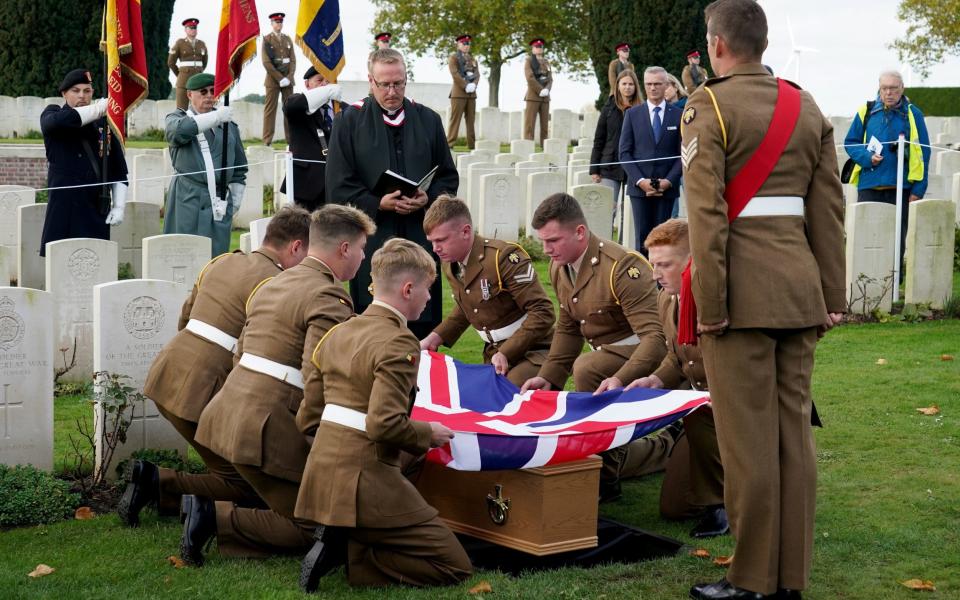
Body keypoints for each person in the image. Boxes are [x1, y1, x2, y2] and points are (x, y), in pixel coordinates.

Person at [682, 1, 845, 598]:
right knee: (792, 440)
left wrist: (712, 302)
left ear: (718, 44)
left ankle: (752, 579)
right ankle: (790, 579)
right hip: (798, 292)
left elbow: (706, 215)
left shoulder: (709, 104)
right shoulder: (806, 106)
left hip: (740, 300)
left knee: (747, 446)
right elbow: (828, 210)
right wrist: (831, 294)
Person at [184, 205, 376, 567]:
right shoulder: (328, 296)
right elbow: (320, 376)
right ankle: (213, 519)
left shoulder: (273, 282)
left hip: (227, 411)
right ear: (345, 249)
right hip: (264, 426)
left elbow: (242, 348)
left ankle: (204, 508)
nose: (364, 257)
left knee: (289, 501)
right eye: (363, 248)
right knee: (316, 525)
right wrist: (317, 439)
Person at [296, 238, 472, 590]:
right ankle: (351, 554)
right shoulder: (399, 341)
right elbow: (383, 423)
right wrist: (428, 434)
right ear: (408, 289)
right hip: (367, 476)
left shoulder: (337, 332)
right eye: (427, 289)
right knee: (454, 565)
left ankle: (352, 542)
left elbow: (308, 417)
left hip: (322, 471)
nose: (428, 298)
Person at [119, 207, 311, 527]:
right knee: (247, 484)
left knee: (232, 472)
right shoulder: (277, 284)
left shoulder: (222, 261)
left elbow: (186, 316)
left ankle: (154, 484)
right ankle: (155, 483)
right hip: (204, 387)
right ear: (296, 247)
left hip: (169, 370)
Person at [519, 193, 670, 502]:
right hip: (608, 352)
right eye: (543, 241)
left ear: (580, 233)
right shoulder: (560, 267)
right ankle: (649, 451)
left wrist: (620, 377)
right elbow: (568, 326)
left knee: (588, 368)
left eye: (553, 241)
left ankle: (606, 479)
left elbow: (654, 337)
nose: (546, 250)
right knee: (578, 374)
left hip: (649, 354)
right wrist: (548, 376)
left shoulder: (622, 266)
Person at [325, 48, 459, 339]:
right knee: (374, 326)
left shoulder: (428, 120)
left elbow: (448, 177)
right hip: (373, 236)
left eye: (398, 83)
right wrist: (377, 203)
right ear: (370, 82)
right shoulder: (349, 122)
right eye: (384, 84)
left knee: (421, 322)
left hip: (420, 233)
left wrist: (430, 197)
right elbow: (338, 186)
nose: (392, 91)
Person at [624, 219, 726, 538]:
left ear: (693, 261)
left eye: (665, 265)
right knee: (676, 507)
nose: (655, 274)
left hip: (739, 411)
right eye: (653, 264)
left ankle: (737, 495)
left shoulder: (719, 301)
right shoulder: (667, 298)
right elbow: (677, 355)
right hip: (701, 411)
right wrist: (654, 380)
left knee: (700, 420)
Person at [420, 196, 555, 387]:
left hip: (535, 349)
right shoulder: (451, 264)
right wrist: (434, 338)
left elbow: (543, 312)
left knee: (509, 393)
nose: (436, 249)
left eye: (441, 240)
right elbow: (468, 306)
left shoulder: (502, 257)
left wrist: (506, 352)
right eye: (432, 242)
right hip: (495, 352)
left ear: (466, 231)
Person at [844, 70, 930, 269]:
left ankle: (893, 282)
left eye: (893, 88)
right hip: (869, 185)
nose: (889, 92)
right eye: (885, 88)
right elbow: (850, 142)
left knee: (897, 238)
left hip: (901, 187)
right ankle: (865, 281)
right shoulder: (866, 111)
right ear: (879, 88)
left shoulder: (913, 114)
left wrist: (919, 189)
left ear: (902, 88)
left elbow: (924, 152)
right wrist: (867, 157)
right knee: (867, 237)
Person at [39, 69, 128, 257]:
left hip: (95, 208)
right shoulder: (53, 114)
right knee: (62, 266)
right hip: (65, 209)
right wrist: (100, 108)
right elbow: (60, 122)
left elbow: (118, 170)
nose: (82, 96)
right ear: (64, 93)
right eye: (76, 91)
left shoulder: (104, 125)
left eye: (87, 91)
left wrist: (119, 206)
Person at [163, 72, 246, 257]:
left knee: (216, 255)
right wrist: (216, 118)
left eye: (213, 91)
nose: (209, 96)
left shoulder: (229, 126)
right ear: (189, 95)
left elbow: (239, 165)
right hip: (188, 196)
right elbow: (179, 132)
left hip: (218, 198)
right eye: (203, 92)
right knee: (183, 253)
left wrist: (236, 198)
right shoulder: (176, 118)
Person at [619, 66, 683, 253]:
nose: (652, 88)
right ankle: (645, 280)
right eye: (648, 84)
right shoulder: (632, 114)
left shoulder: (678, 115)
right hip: (640, 188)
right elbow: (624, 153)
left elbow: (682, 153)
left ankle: (662, 282)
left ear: (666, 85)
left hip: (667, 188)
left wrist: (669, 181)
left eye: (657, 84)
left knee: (663, 239)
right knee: (643, 238)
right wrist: (641, 181)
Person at [281, 67, 344, 211]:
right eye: (319, 80)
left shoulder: (342, 109)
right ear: (307, 84)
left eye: (328, 81)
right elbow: (291, 106)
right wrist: (325, 92)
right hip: (306, 187)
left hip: (336, 186)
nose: (324, 84)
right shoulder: (298, 105)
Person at [591, 69, 642, 210]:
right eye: (624, 83)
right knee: (607, 210)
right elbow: (599, 139)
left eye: (631, 84)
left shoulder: (641, 109)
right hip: (609, 165)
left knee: (629, 214)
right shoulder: (608, 108)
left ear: (635, 86)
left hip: (633, 166)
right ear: (618, 85)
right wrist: (594, 169)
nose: (627, 87)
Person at [262, 12, 296, 146]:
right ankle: (267, 141)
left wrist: (289, 77)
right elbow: (266, 62)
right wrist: (279, 78)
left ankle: (291, 141)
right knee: (270, 110)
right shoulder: (267, 40)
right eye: (276, 22)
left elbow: (293, 60)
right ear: (272, 24)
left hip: (288, 80)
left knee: (289, 109)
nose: (279, 24)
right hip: (272, 80)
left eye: (281, 22)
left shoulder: (287, 39)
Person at [446, 34, 480, 150]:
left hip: (471, 94)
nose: (466, 46)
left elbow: (477, 74)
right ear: (458, 44)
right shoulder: (454, 58)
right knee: (455, 120)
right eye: (464, 44)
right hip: (459, 93)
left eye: (468, 44)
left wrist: (474, 85)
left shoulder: (473, 59)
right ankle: (449, 144)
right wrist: (465, 86)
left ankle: (472, 145)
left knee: (471, 120)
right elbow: (455, 73)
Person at [167, 19, 209, 110]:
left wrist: (200, 72)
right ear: (185, 30)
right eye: (191, 28)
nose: (193, 30)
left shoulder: (202, 44)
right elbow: (170, 62)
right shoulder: (180, 43)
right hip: (183, 81)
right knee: (181, 109)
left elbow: (204, 62)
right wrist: (180, 74)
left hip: (199, 82)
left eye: (195, 28)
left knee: (200, 108)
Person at [523, 38, 553, 145]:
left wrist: (547, 89)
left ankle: (544, 146)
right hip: (533, 96)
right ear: (533, 49)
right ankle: (527, 146)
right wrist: (540, 90)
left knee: (544, 125)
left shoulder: (546, 62)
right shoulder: (529, 61)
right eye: (537, 47)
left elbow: (550, 79)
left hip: (545, 97)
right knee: (530, 124)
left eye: (540, 47)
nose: (539, 48)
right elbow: (530, 77)